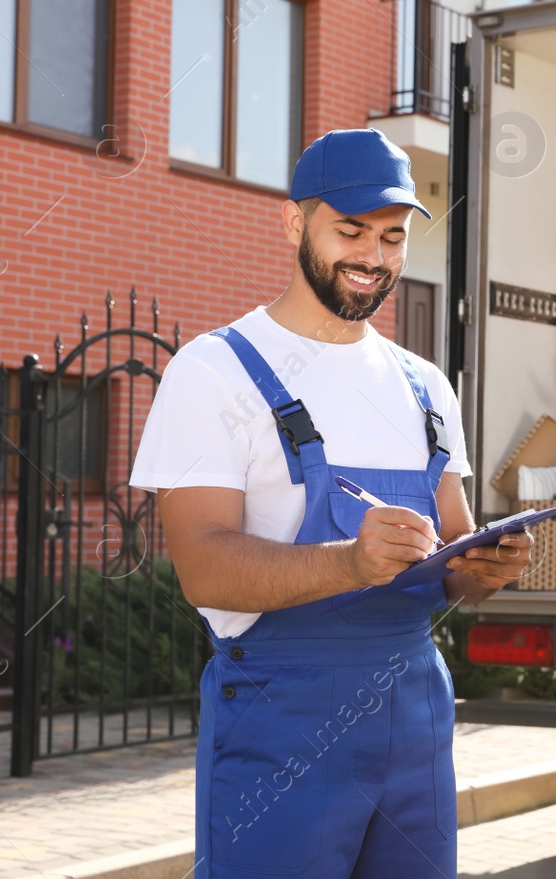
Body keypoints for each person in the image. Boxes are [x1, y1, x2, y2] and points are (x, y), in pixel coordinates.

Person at [130, 128, 531, 878]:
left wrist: (486, 566)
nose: (373, 257)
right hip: (283, 721)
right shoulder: (216, 372)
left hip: (415, 711)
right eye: (349, 230)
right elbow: (203, 567)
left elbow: (454, 561)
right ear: (293, 223)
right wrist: (351, 561)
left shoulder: (426, 388)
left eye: (392, 236)